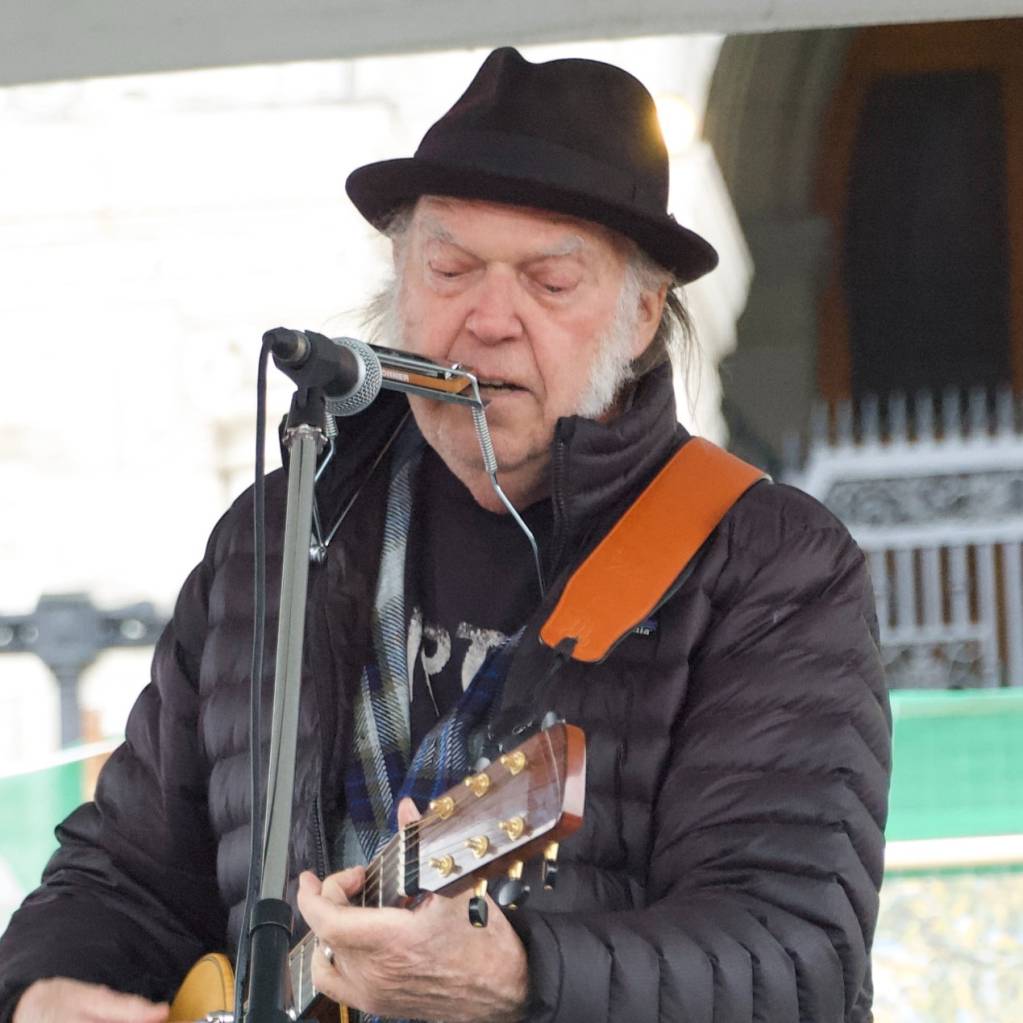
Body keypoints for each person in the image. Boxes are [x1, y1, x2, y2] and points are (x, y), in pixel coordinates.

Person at [0, 46, 890, 1023]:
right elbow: (125, 867)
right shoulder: (279, 531)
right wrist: (44, 987)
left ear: (641, 315)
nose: (488, 321)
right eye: (452, 267)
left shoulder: (763, 564)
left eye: (550, 281)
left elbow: (794, 954)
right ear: (399, 277)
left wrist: (520, 975)